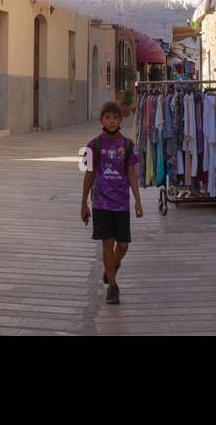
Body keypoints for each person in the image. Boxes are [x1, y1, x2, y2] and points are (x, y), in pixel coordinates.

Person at [80, 101, 142, 304]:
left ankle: (112, 267)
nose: (111, 121)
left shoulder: (128, 145)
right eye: (107, 117)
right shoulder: (93, 145)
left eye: (115, 117)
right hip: (101, 203)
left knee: (123, 245)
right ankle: (113, 286)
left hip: (122, 204)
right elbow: (88, 174)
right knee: (107, 242)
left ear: (120, 120)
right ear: (101, 120)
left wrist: (137, 201)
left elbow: (132, 173)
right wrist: (83, 203)